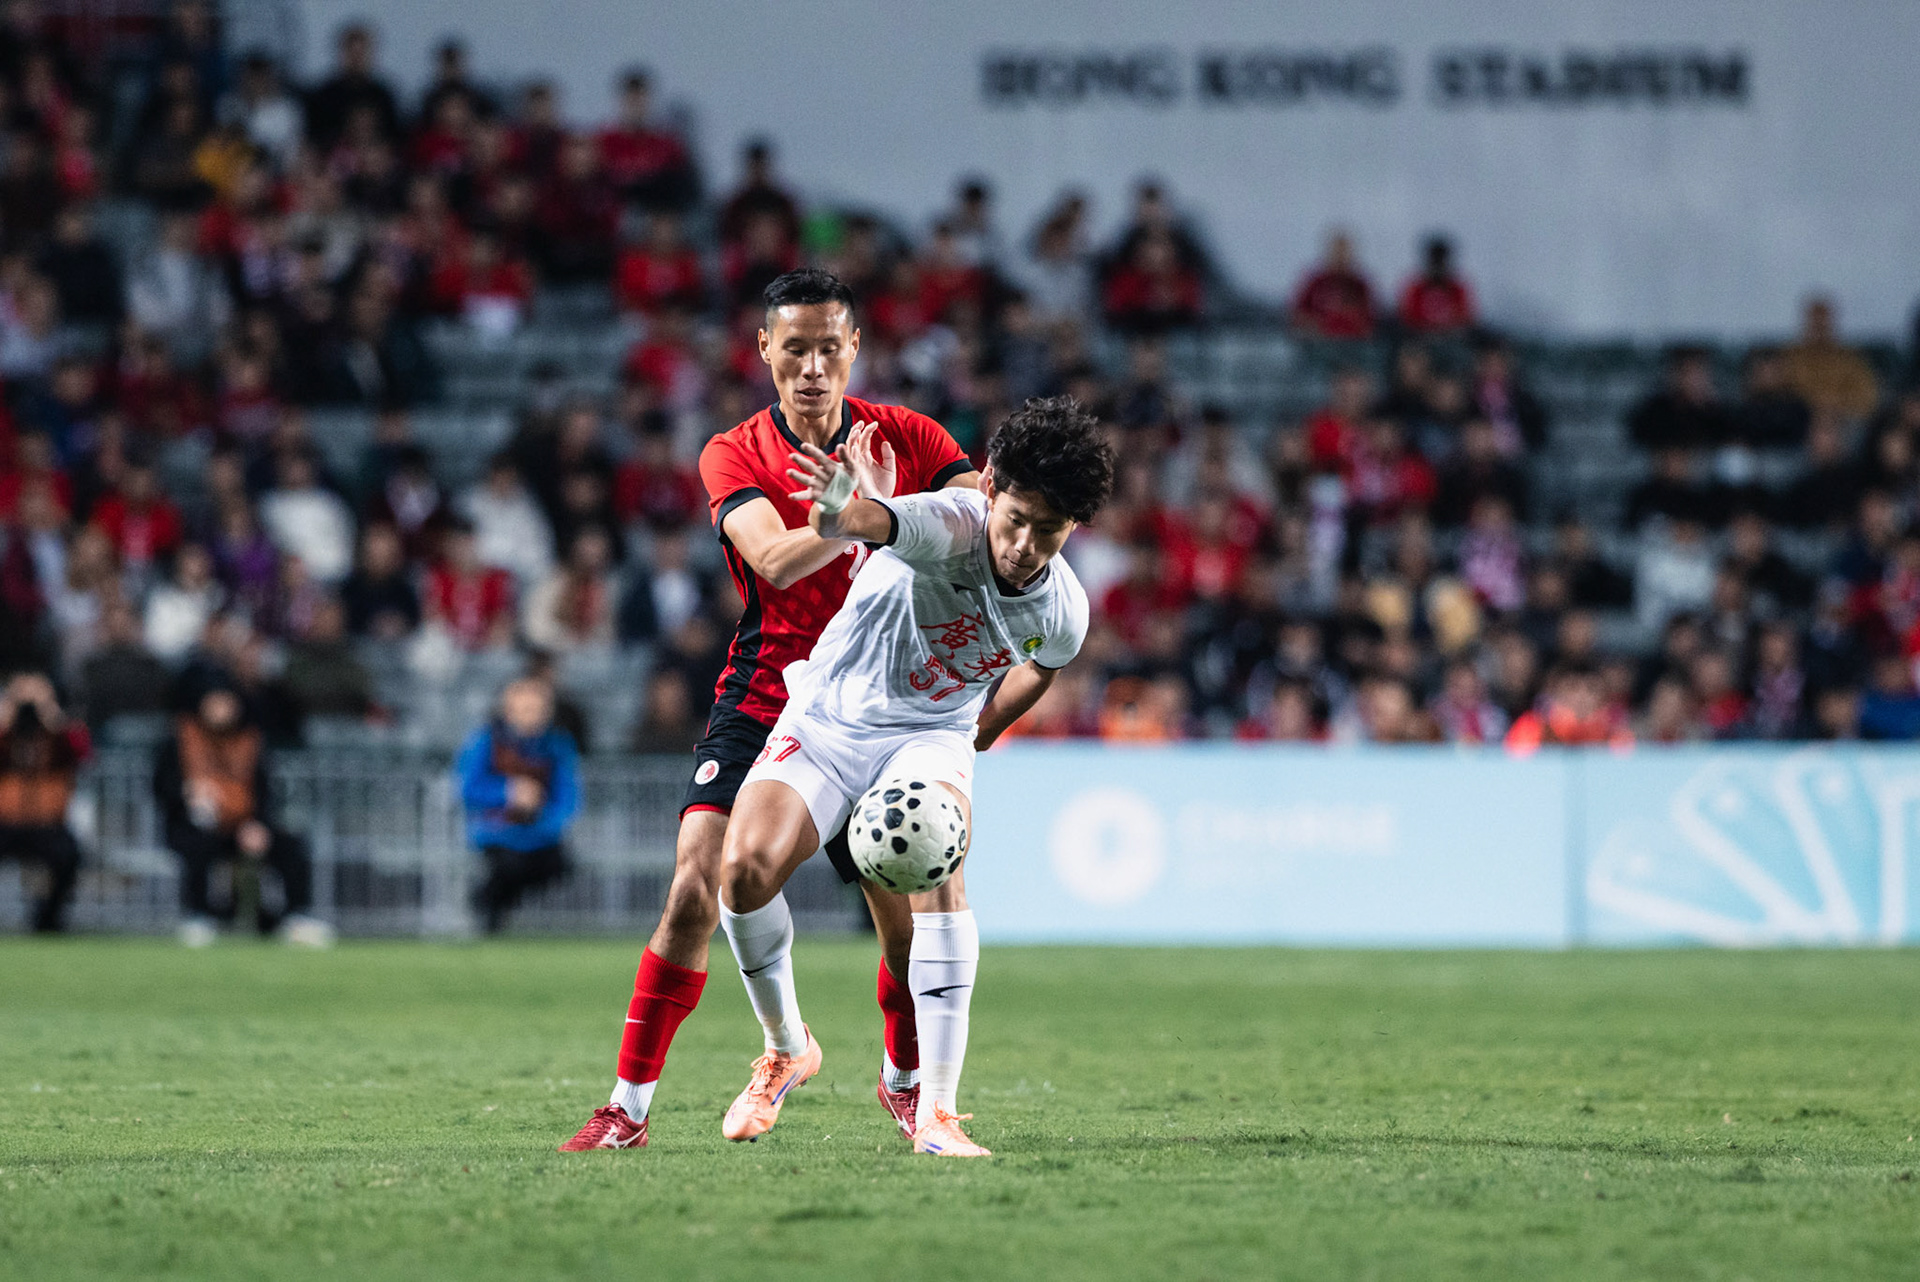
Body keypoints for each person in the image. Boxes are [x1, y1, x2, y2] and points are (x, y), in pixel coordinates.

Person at [558, 268, 980, 1153]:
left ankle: (904, 1085)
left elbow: (981, 520)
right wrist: (854, 517)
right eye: (796, 350)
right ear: (764, 351)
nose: (815, 368)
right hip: (772, 691)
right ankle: (634, 1107)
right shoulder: (735, 451)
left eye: (831, 348)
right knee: (698, 882)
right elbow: (775, 562)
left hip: (885, 700)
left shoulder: (909, 435)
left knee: (902, 918)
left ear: (855, 347)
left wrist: (884, 510)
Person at [707, 395, 1112, 1157]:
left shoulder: (1064, 607)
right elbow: (870, 521)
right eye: (1016, 518)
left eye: (1047, 531)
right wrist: (839, 508)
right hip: (829, 716)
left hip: (928, 736)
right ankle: (787, 1046)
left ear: (1073, 529)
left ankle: (939, 1113)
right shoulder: (949, 520)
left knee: (938, 884)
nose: (1024, 544)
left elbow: (1042, 671)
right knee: (743, 871)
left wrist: (979, 733)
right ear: (990, 487)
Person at [155, 683, 332, 947]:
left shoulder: (250, 741)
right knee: (196, 847)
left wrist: (257, 824)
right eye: (215, 703)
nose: (221, 710)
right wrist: (186, 796)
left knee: (290, 845)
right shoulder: (180, 739)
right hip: (191, 823)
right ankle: (199, 916)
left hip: (242, 824)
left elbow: (264, 791)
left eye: (227, 703)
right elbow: (160, 787)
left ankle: (296, 916)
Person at [455, 677, 581, 934]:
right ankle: (488, 907)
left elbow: (568, 797)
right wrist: (508, 792)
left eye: (537, 710)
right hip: (495, 831)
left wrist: (545, 819)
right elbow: (467, 789)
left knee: (560, 865)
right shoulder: (485, 742)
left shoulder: (558, 745)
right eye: (525, 710)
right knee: (509, 865)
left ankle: (492, 903)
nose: (532, 717)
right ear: (508, 711)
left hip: (541, 833)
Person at [0, 673, 89, 932]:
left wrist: (51, 713)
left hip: (47, 822)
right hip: (6, 819)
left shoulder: (58, 733)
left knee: (69, 855)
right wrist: (8, 712)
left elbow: (82, 752)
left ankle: (48, 919)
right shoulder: (7, 731)